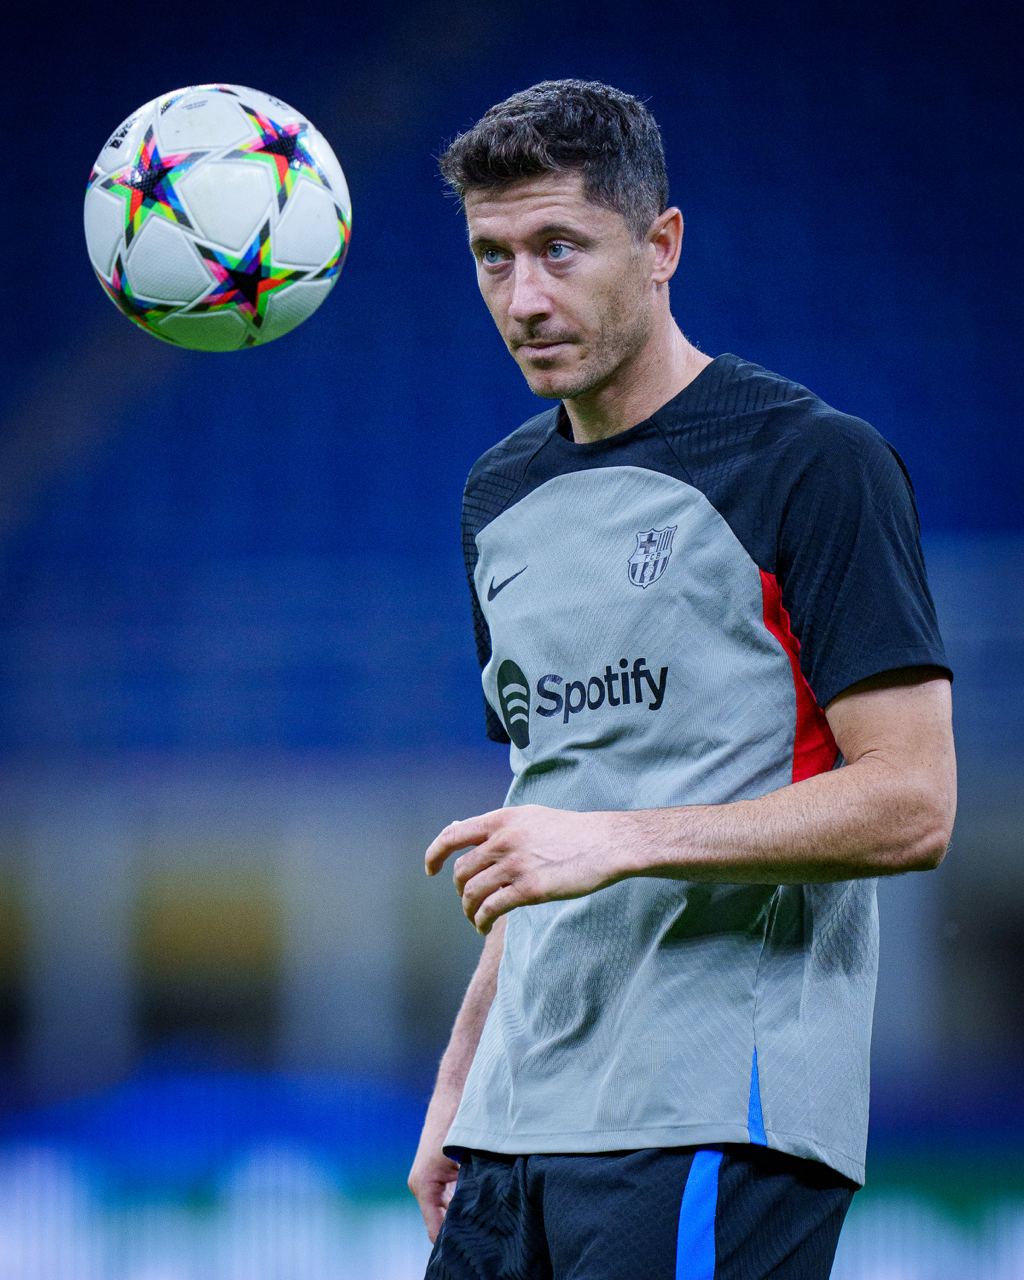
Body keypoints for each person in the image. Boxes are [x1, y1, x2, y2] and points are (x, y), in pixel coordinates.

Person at [409, 79, 956, 1280]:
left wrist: (614, 838)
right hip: (509, 1127)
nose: (525, 297)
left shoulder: (814, 462)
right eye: (492, 257)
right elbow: (547, 804)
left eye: (559, 247)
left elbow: (913, 800)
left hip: (713, 1115)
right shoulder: (495, 498)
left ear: (661, 245)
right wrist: (459, 1077)